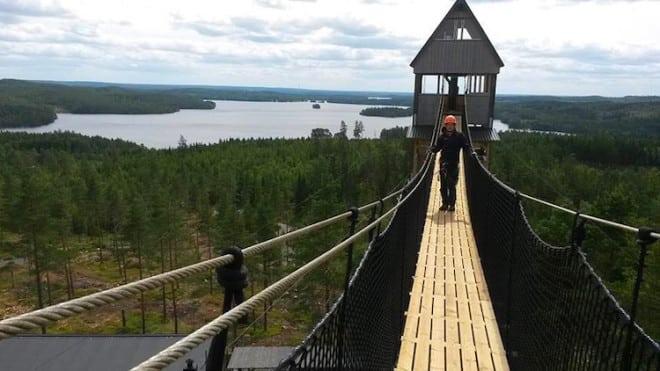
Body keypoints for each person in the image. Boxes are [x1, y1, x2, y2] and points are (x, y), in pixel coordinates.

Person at [431, 115, 471, 211]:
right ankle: (445, 204)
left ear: (454, 125)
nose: (449, 126)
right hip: (444, 164)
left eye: (451, 124)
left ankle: (452, 205)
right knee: (443, 186)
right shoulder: (442, 137)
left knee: (452, 185)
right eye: (448, 124)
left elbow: (466, 146)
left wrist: (470, 153)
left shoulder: (459, 136)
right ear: (445, 125)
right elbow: (437, 148)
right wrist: (431, 150)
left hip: (453, 164)